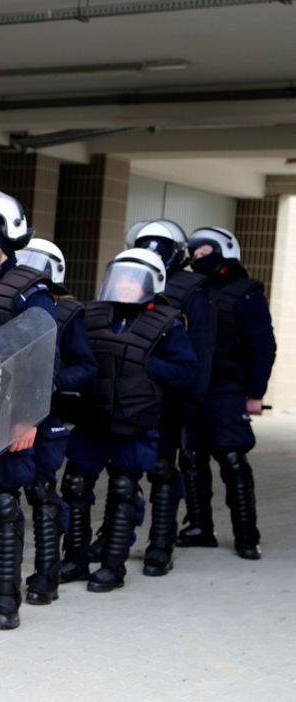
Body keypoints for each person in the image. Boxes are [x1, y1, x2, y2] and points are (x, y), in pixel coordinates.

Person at [59, 249, 197, 592]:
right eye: (120, 277)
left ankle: (112, 565)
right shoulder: (92, 316)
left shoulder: (168, 324)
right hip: (93, 416)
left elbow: (186, 372)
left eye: (133, 279)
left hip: (135, 419)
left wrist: (143, 366)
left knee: (123, 488)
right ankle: (75, 558)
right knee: (75, 484)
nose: (125, 284)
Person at [0, 181, 57, 630]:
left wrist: (28, 416)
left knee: (2, 505)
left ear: (4, 239)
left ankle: (5, 598)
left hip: (10, 411)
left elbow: (42, 358)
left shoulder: (30, 290)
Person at [123, 219, 213, 574]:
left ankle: (161, 542)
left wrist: (193, 399)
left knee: (162, 470)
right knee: (124, 469)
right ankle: (117, 537)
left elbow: (200, 351)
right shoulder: (126, 278)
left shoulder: (192, 290)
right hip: (127, 392)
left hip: (168, 394)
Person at [180, 227, 275, 559]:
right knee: (191, 458)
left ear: (224, 252)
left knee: (232, 459)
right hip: (195, 388)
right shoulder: (193, 289)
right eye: (195, 254)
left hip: (227, 388)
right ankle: (200, 527)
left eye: (204, 252)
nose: (197, 258)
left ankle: (247, 535)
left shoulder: (246, 293)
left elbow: (263, 345)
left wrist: (255, 392)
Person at [14, 238, 97, 604]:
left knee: (42, 491)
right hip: (5, 411)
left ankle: (46, 575)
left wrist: (53, 383)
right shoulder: (6, 299)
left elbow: (86, 366)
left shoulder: (66, 312)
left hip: (47, 415)